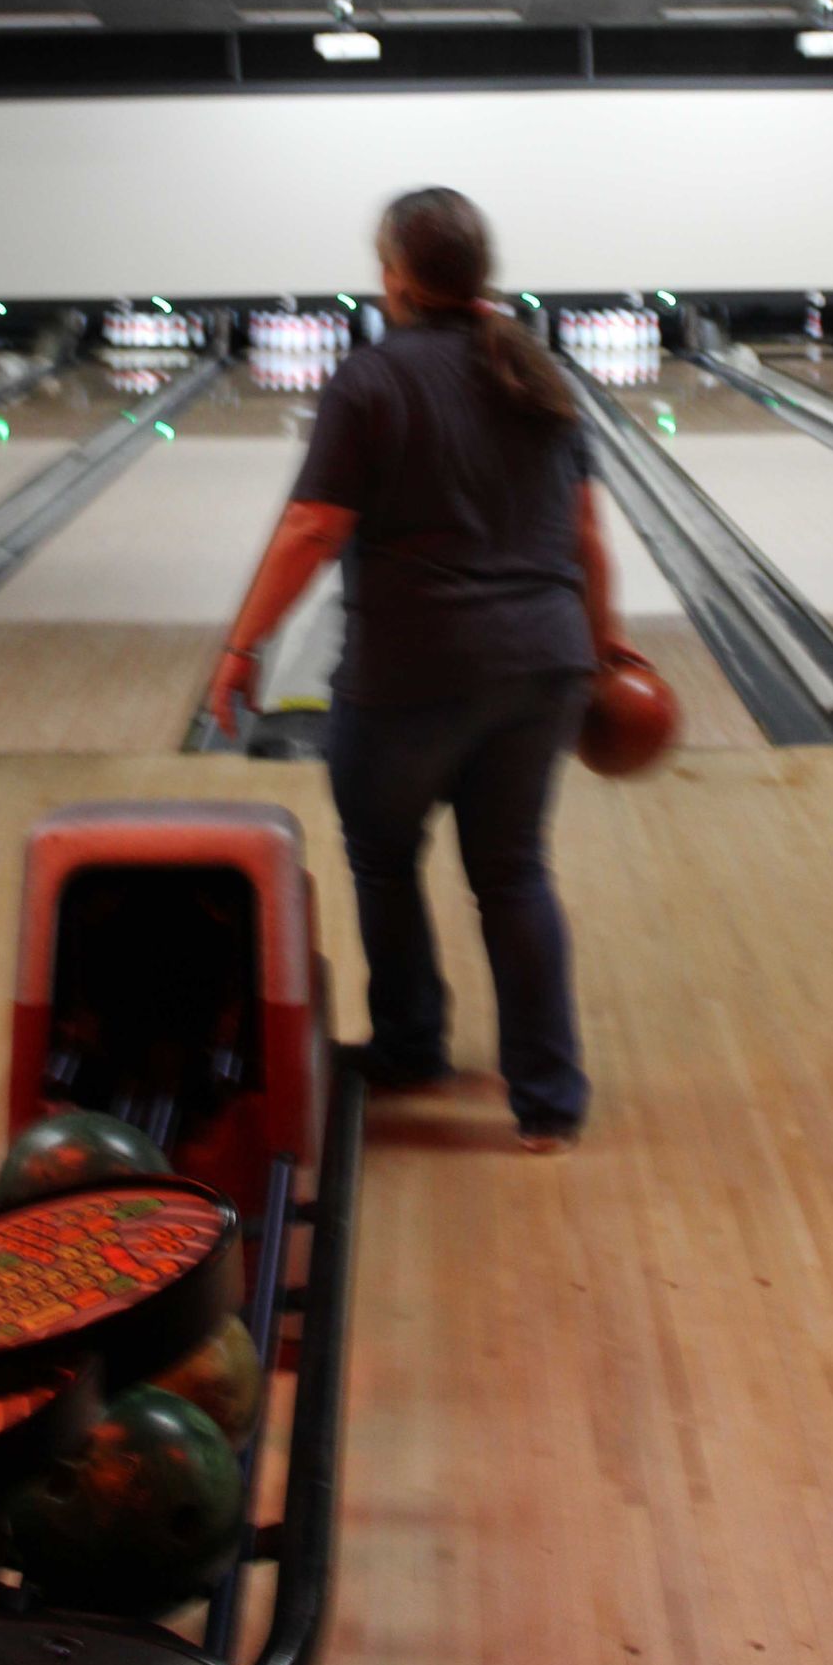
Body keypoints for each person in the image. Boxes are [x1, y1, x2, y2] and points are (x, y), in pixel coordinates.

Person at [207, 187, 638, 1150]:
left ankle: (411, 1047)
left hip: (413, 674)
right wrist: (601, 655)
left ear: (395, 275)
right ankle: (549, 1103)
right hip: (541, 669)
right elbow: (586, 541)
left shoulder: (371, 378)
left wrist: (244, 649)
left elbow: (315, 526)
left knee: (384, 860)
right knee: (515, 875)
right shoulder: (540, 373)